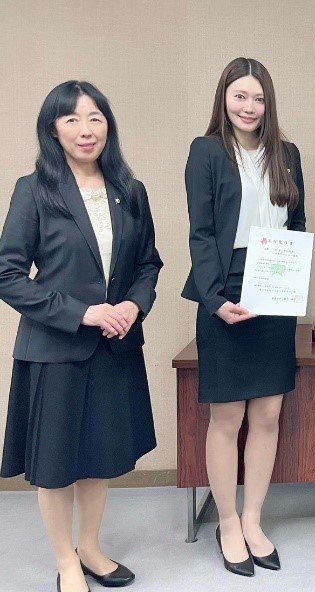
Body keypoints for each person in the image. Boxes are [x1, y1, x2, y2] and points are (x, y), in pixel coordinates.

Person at [0, 81, 162, 592]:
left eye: (95, 117)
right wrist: (83, 313)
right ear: (53, 130)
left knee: (99, 455)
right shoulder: (34, 189)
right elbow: (8, 275)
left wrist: (133, 306)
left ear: (107, 125)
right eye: (71, 119)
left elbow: (148, 264)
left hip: (115, 346)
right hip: (56, 349)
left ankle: (90, 547)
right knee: (55, 465)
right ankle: (65, 560)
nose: (85, 129)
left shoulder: (130, 189)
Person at [182, 57, 306, 577]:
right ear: (224, 98)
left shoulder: (287, 154)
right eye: (240, 96)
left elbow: (297, 223)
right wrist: (214, 298)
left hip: (275, 285)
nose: (249, 107)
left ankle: (253, 518)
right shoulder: (207, 151)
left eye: (258, 98)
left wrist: (292, 283)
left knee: (268, 414)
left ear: (268, 103)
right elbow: (201, 230)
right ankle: (227, 522)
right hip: (225, 286)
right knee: (227, 415)